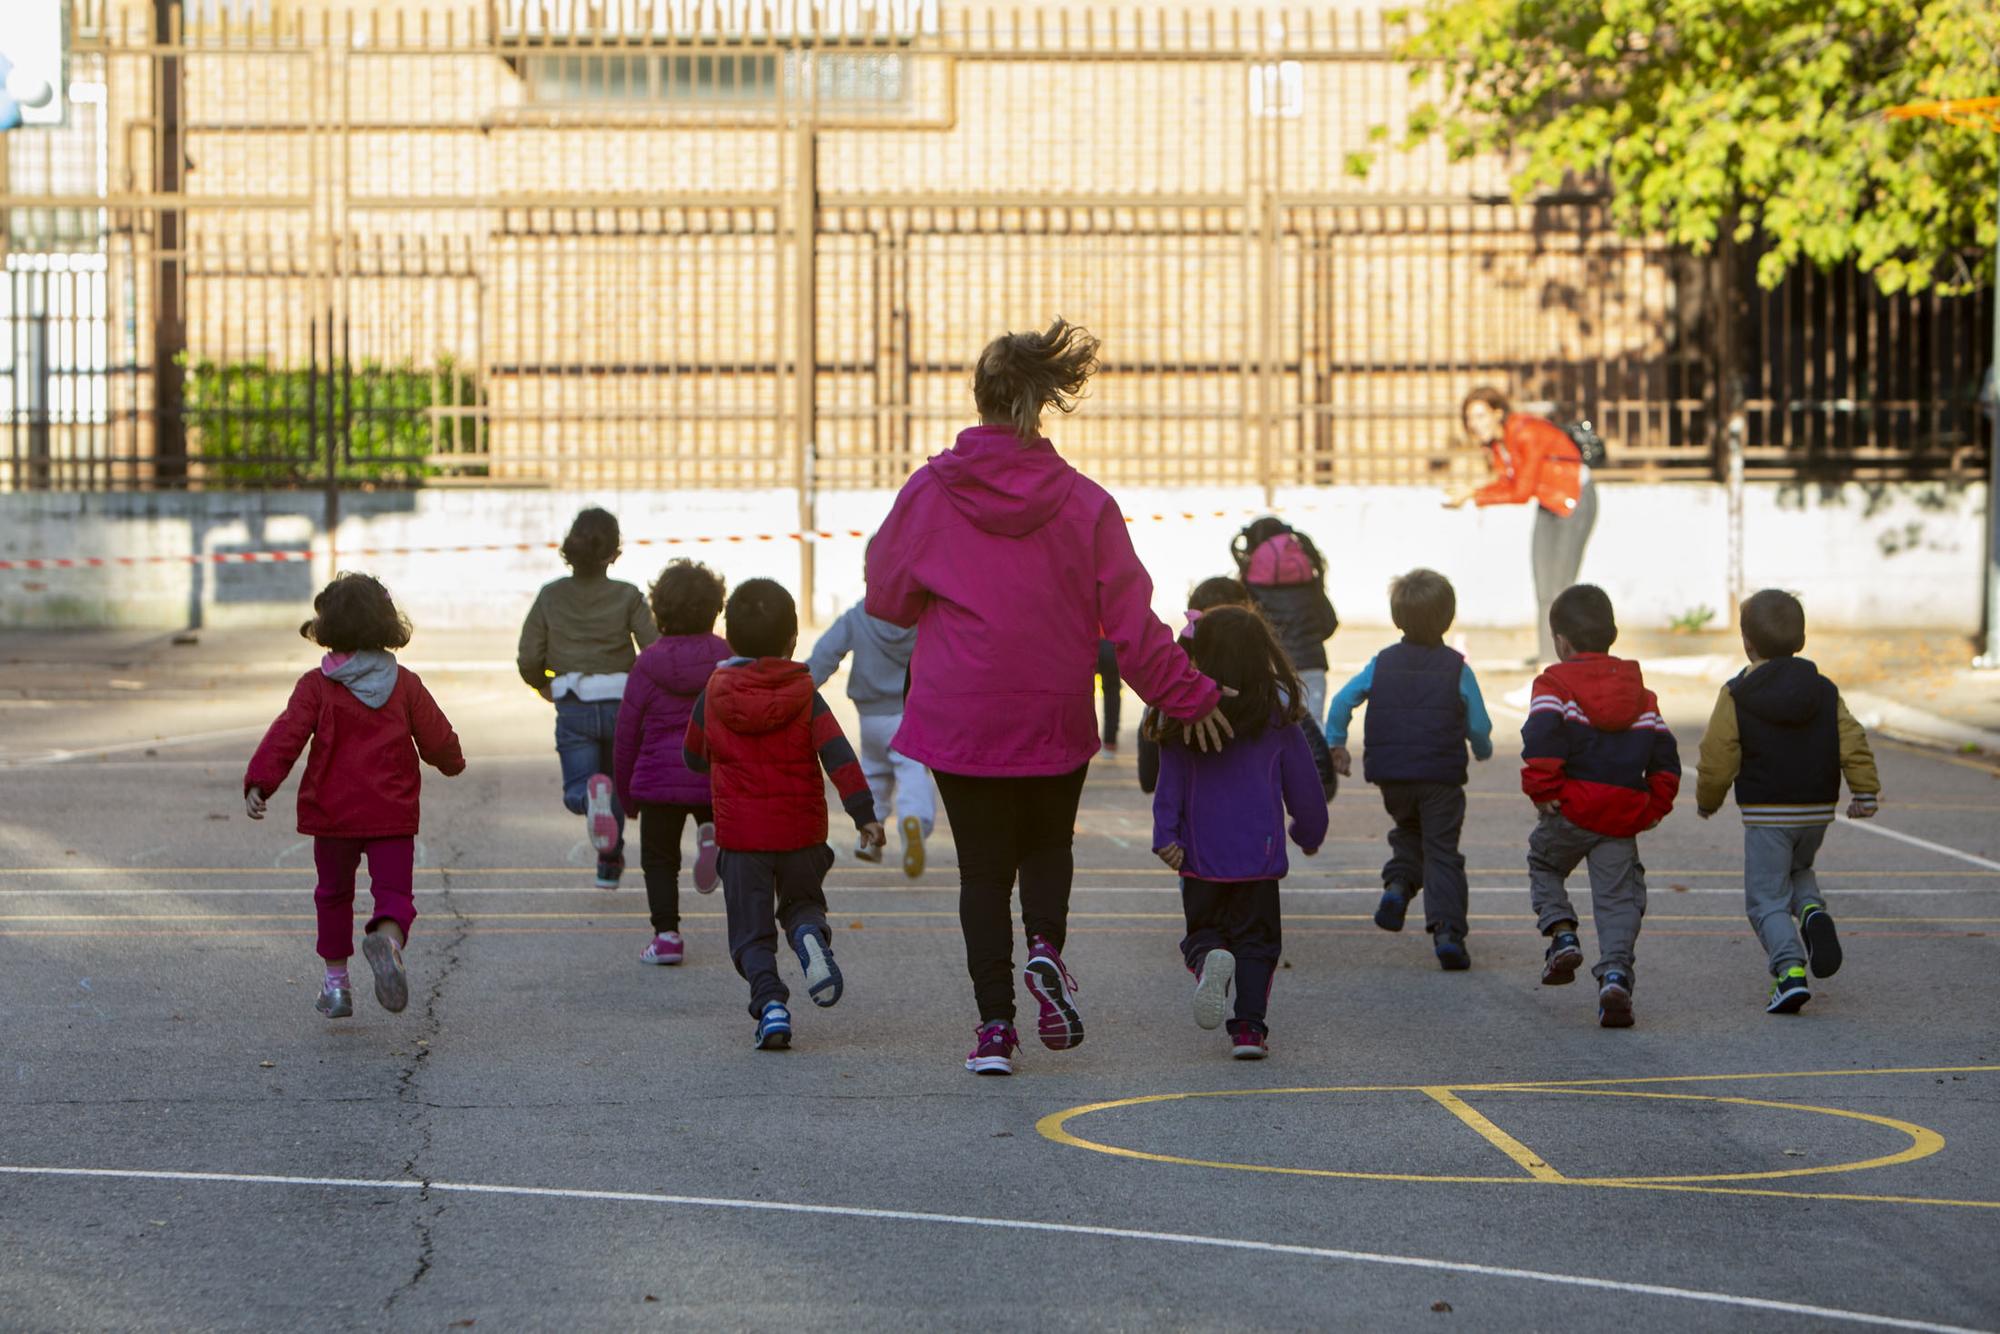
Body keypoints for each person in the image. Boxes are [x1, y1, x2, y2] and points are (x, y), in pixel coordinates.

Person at [866, 317, 1231, 1077]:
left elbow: (888, 599)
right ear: (1043, 404)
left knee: (980, 872)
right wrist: (1190, 696)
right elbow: (1133, 627)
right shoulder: (1084, 502)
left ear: (980, 398)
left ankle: (994, 1029)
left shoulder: (929, 493)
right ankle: (1045, 948)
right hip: (1051, 707)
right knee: (1047, 846)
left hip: (962, 708)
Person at [244, 574, 465, 1020]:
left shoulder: (315, 687)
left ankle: (337, 986)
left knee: (333, 895)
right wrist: (451, 762)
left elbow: (286, 736)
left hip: (333, 814)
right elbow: (438, 738)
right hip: (392, 813)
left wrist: (259, 781)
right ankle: (387, 939)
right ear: (388, 624)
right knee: (394, 894)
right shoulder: (404, 684)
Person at [682, 579, 885, 1051]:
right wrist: (864, 815)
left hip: (742, 839)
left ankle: (771, 1004)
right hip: (801, 834)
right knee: (801, 905)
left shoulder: (713, 692)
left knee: (751, 935)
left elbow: (692, 756)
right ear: (793, 640)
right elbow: (839, 756)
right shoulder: (805, 692)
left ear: (729, 638)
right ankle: (809, 934)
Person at [1150, 607, 1329, 1059]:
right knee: (1258, 945)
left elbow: (1168, 782)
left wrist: (1165, 834)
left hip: (1199, 857)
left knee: (1203, 933)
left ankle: (1210, 960)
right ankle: (1248, 1030)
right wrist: (1308, 832)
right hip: (1259, 858)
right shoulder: (1277, 720)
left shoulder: (1181, 719)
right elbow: (1305, 789)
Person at [1695, 589, 1881, 1015]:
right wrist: (1865, 792)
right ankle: (1812, 910)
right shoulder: (1824, 690)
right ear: (1801, 640)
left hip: (1767, 812)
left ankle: (1789, 971)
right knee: (1798, 869)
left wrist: (1709, 798)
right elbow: (1852, 740)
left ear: (1747, 642)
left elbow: (1718, 752)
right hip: (1816, 809)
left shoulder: (1738, 693)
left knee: (1764, 898)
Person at [1520, 584, 1680, 1028]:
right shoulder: (1641, 694)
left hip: (1570, 808)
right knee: (1618, 900)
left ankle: (1562, 933)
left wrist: (1542, 789)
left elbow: (1542, 738)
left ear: (1561, 641)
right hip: (1620, 815)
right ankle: (1615, 975)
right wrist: (1652, 807)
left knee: (1544, 864)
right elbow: (1665, 759)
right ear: (1611, 634)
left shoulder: (1553, 684)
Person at [1323, 569, 1493, 969]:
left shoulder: (1381, 663)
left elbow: (1343, 701)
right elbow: (1479, 725)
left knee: (1410, 830)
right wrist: (1481, 749)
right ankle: (1448, 931)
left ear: (1397, 617)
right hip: (1440, 776)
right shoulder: (1457, 668)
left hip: (1391, 775)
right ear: (1448, 618)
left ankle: (1398, 885)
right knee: (1442, 851)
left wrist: (1336, 742)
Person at [516, 507, 658, 888]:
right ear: (614, 553)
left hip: (574, 702)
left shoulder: (550, 595)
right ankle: (609, 862)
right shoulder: (628, 595)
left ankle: (587, 803)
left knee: (581, 786)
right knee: (611, 780)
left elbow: (529, 654)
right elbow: (654, 648)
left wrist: (542, 684)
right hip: (622, 704)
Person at [613, 559, 730, 966]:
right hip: (713, 776)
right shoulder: (727, 658)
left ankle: (666, 937)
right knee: (734, 853)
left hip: (658, 781)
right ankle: (743, 928)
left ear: (658, 610)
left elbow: (626, 732)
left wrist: (625, 795)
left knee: (659, 859)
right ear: (715, 608)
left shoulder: (647, 663)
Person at [1137, 576, 1336, 802]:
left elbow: (1149, 777)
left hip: (1190, 828)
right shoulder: (1274, 695)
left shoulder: (1170, 697)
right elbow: (1323, 780)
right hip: (1259, 828)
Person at [1444, 387, 1596, 669]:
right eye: (1469, 418)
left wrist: (1473, 495)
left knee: (1560, 585)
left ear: (1498, 413)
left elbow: (1521, 490)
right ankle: (1550, 656)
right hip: (1550, 503)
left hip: (1575, 498)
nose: (1474, 424)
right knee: (1544, 585)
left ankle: (1569, 658)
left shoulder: (1524, 432)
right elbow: (1508, 483)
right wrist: (1472, 490)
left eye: (1480, 415)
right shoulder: (1499, 445)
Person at [806, 587, 934, 878]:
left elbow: (826, 653)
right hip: (908, 713)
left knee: (875, 774)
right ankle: (914, 820)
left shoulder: (857, 615)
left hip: (870, 717)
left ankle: (868, 838)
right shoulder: (922, 616)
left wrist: (801, 687)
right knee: (911, 770)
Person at [1232, 517, 1339, 726]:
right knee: (1314, 726)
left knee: (1279, 728)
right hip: (1312, 663)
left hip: (1272, 667)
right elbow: (1329, 623)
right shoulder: (1308, 577)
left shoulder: (1250, 582)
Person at [1096, 636, 1123, 752]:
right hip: (1110, 642)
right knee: (1112, 691)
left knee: (1082, 691)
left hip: (1085, 640)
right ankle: (1110, 742)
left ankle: (1081, 742)